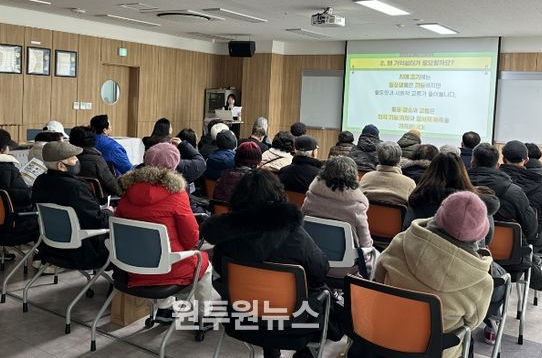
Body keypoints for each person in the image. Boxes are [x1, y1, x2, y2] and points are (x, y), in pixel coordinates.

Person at [200, 169, 328, 358]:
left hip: (241, 318)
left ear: (238, 197)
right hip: (293, 324)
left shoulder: (226, 235)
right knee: (323, 293)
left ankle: (272, 350)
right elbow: (320, 269)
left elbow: (220, 270)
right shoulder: (294, 233)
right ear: (278, 195)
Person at [374, 191, 493, 358]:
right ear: (480, 234)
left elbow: (377, 279)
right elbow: (473, 323)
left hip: (382, 337)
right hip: (436, 351)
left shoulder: (400, 242)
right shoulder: (482, 282)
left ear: (438, 215)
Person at [116, 143, 212, 323]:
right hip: (167, 269)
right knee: (204, 264)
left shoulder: (127, 191)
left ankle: (166, 309)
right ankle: (204, 317)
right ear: (173, 166)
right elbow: (191, 238)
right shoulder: (177, 194)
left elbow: (119, 227)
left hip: (131, 266)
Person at [31, 141, 112, 268]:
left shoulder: (40, 181)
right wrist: (109, 212)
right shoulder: (75, 188)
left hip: (50, 247)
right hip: (82, 251)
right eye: (73, 158)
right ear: (61, 166)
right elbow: (97, 220)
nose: (77, 160)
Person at [302, 156, 373, 278]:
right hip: (345, 269)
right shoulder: (357, 207)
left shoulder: (309, 199)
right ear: (354, 177)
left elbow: (301, 229)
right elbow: (366, 245)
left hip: (312, 262)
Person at [467, 143, 538, 243]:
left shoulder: (458, 186)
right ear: (497, 165)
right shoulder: (514, 192)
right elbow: (530, 229)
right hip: (509, 250)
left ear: (472, 162)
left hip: (464, 247)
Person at [500, 140, 542, 226]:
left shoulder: (494, 179)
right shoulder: (539, 183)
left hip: (492, 232)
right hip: (530, 232)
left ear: (503, 159)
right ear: (526, 160)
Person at [68, 126, 120, 197]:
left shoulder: (65, 158)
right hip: (96, 199)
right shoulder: (97, 160)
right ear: (93, 141)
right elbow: (110, 183)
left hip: (71, 196)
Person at [359, 141, 416, 206]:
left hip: (368, 212)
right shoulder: (409, 184)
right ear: (400, 159)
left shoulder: (366, 177)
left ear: (378, 158)